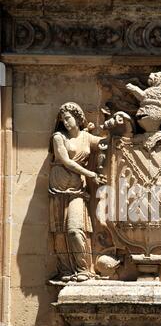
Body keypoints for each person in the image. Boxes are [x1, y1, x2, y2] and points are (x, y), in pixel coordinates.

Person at [49, 102, 105, 282]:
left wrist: (117, 125)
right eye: (62, 119)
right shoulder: (58, 137)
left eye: (68, 118)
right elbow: (66, 161)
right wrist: (91, 174)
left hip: (77, 189)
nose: (65, 122)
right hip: (58, 186)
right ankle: (66, 270)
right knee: (59, 232)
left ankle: (83, 270)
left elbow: (105, 143)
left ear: (78, 118)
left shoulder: (86, 137)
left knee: (74, 229)